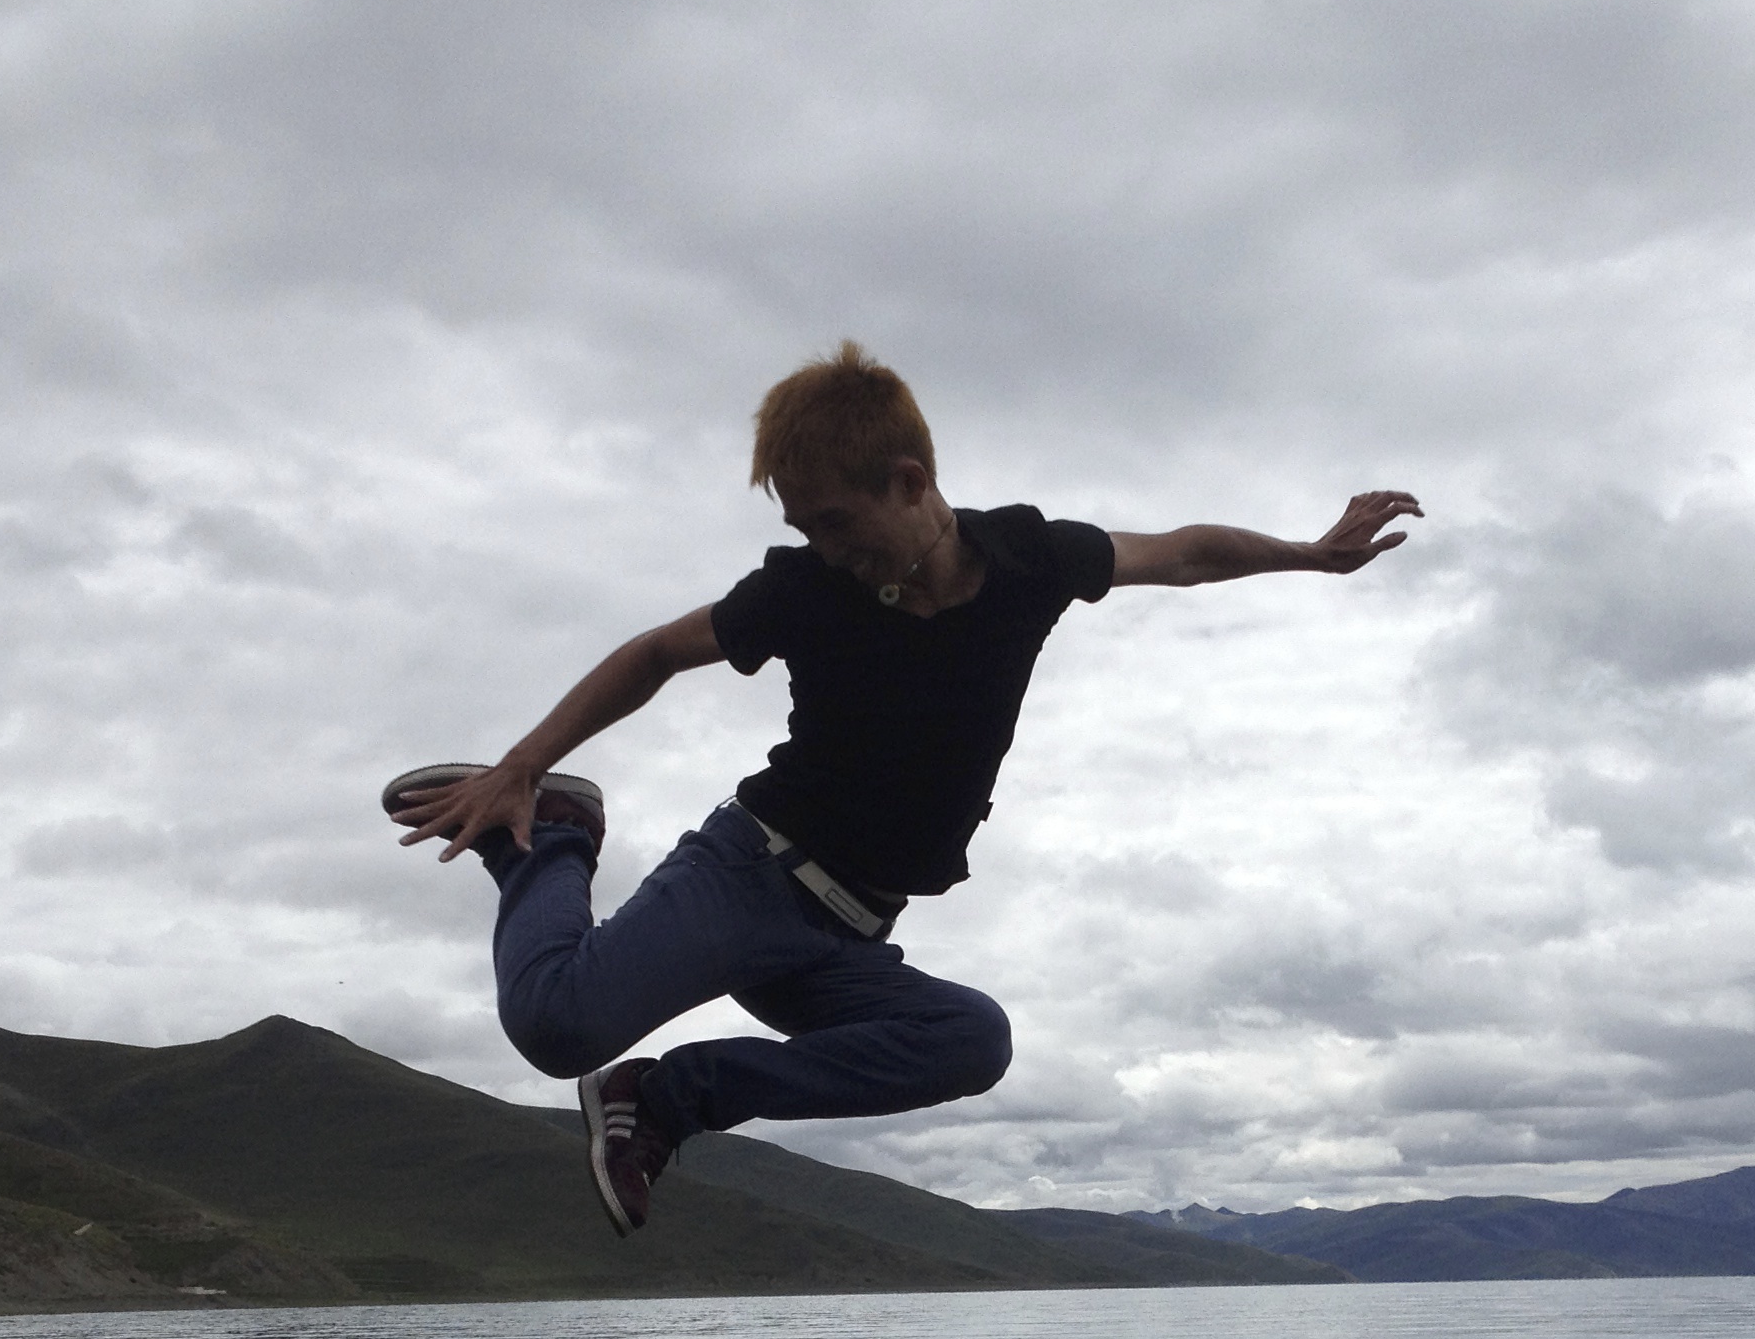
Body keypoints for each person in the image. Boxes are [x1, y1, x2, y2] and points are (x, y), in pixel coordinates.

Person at [386, 341, 1419, 1236]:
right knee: (556, 1027)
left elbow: (1183, 556)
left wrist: (1313, 556)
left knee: (971, 1042)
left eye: (836, 522)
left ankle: (666, 1098)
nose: (824, 548)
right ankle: (552, 838)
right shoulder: (804, 591)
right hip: (749, 876)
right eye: (804, 529)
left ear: (909, 480)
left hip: (847, 937)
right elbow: (656, 653)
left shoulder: (1028, 558)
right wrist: (522, 766)